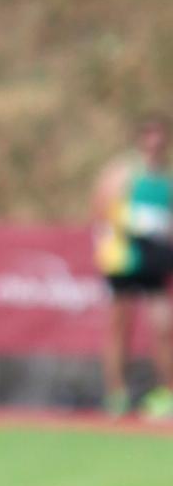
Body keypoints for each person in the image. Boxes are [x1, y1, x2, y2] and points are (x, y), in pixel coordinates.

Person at [92, 113, 173, 418]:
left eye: (159, 135)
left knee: (163, 327)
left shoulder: (167, 178)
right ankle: (116, 394)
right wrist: (133, 223)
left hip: (155, 261)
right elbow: (102, 207)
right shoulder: (123, 172)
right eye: (149, 134)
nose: (154, 141)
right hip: (125, 258)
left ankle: (166, 394)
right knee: (119, 325)